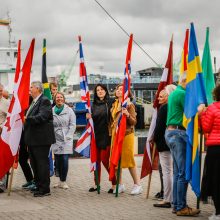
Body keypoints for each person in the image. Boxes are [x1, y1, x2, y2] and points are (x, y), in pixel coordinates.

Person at [165, 74, 200, 216]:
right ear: (186, 82)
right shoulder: (182, 94)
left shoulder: (175, 93)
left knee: (177, 172)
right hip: (179, 134)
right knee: (182, 173)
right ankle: (181, 207)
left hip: (171, 133)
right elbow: (192, 111)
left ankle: (176, 205)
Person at [24, 81, 55, 197]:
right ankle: (38, 184)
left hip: (41, 139)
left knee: (42, 164)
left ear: (38, 89)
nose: (30, 89)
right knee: (34, 164)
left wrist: (27, 119)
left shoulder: (44, 100)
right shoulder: (34, 101)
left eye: (31, 87)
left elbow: (42, 116)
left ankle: (45, 189)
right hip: (33, 139)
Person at [110, 84, 142, 195]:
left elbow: (134, 122)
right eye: (118, 89)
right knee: (116, 159)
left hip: (127, 135)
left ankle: (137, 184)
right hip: (116, 134)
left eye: (121, 89)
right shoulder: (115, 104)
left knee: (129, 160)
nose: (119, 91)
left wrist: (128, 114)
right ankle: (120, 184)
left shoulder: (129, 105)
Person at [86, 84, 116, 193]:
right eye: (97, 90)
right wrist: (88, 117)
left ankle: (114, 183)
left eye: (102, 89)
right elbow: (90, 122)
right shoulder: (92, 105)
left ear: (105, 91)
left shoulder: (111, 102)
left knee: (105, 161)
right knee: (96, 161)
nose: (100, 91)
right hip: (96, 136)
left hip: (107, 135)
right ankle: (96, 184)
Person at [199, 84, 220, 220]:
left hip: (216, 150)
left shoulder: (213, 108)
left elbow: (206, 128)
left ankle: (218, 212)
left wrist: (201, 114)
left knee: (216, 180)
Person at [153, 85, 176, 208]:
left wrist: (155, 140)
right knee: (172, 171)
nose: (158, 98)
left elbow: (159, 128)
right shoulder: (174, 107)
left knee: (167, 172)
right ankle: (173, 197)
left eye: (162, 96)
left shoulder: (164, 108)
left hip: (164, 143)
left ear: (168, 96)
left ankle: (168, 199)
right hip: (174, 142)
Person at [52, 92, 76, 189]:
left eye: (61, 97)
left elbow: (73, 124)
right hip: (55, 137)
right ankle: (59, 180)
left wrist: (69, 135)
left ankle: (63, 180)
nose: (59, 99)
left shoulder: (69, 110)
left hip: (66, 137)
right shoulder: (51, 110)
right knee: (57, 160)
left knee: (64, 159)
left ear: (64, 99)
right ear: (55, 99)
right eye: (57, 97)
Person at [0, 84, 10, 193]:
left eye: (1, 90)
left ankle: (1, 184)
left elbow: (9, 119)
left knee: (1, 159)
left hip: (2, 134)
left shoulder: (6, 103)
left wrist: (1, 127)